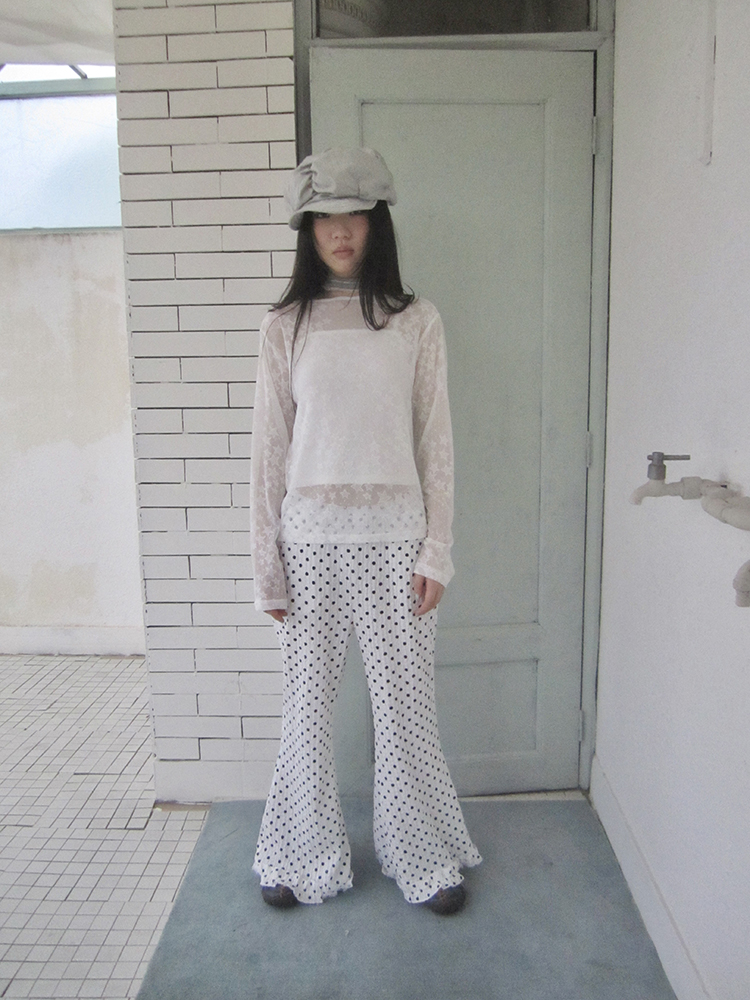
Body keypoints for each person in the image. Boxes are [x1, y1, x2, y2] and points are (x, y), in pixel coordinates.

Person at [250, 147, 481, 916]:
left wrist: (437, 551)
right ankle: (296, 855)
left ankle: (423, 855)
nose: (340, 231)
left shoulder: (417, 320)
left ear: (376, 223)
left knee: (405, 709)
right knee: (305, 710)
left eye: (355, 215)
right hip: (309, 543)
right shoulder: (285, 325)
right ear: (307, 228)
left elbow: (436, 440)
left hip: (396, 541)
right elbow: (269, 451)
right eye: (324, 217)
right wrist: (266, 567)